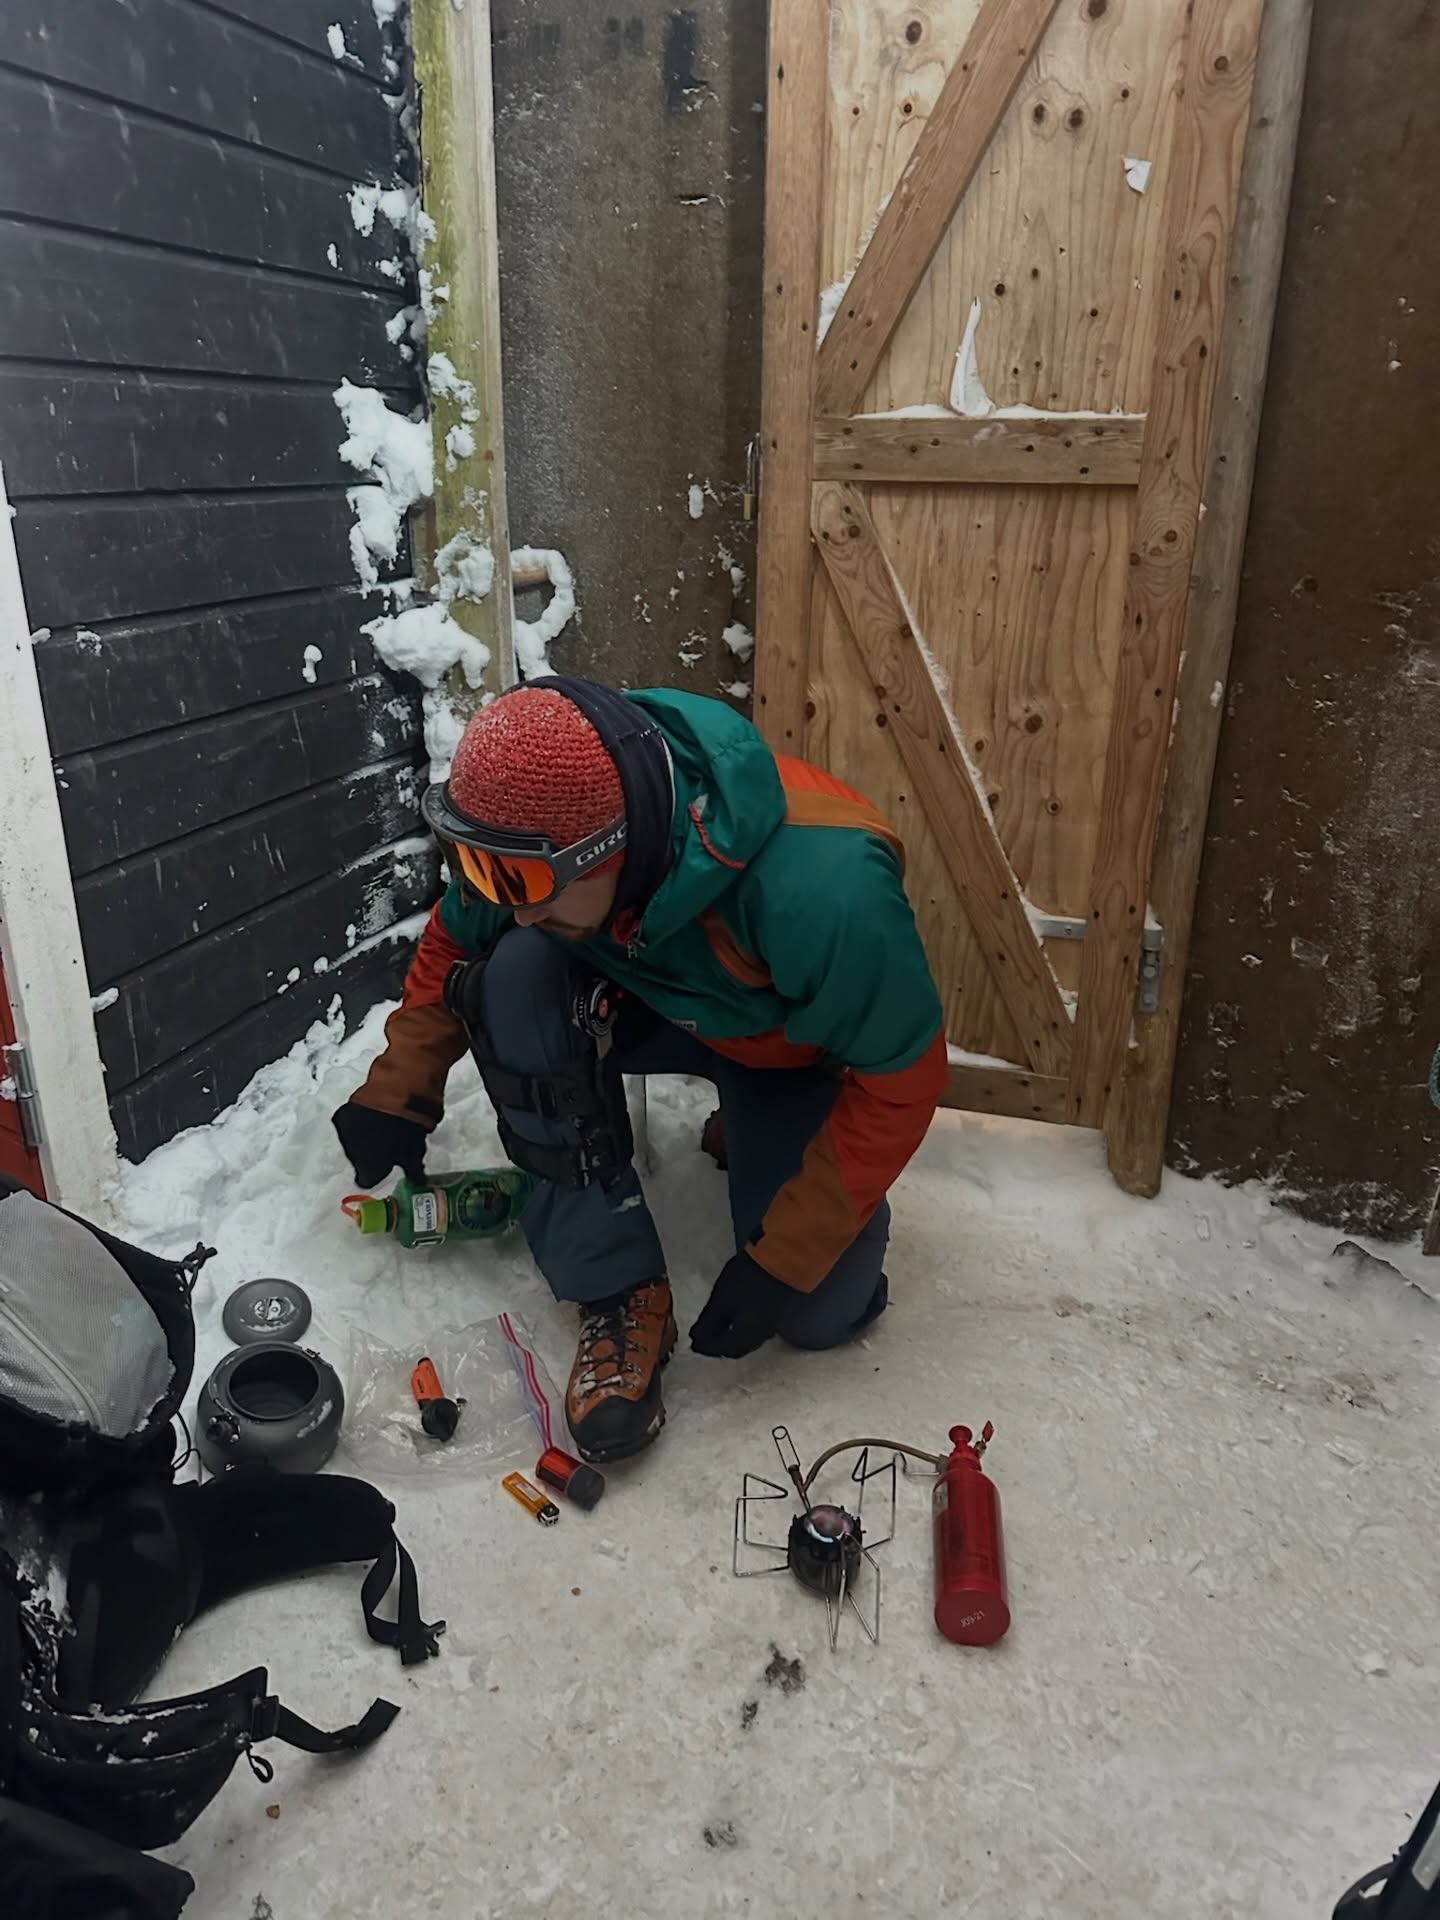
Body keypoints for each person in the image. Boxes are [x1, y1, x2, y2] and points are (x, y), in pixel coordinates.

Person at [332, 676, 946, 1464]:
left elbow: (901, 1079)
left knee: (817, 1313)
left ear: (612, 848)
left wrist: (782, 1259)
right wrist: (399, 1089)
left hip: (787, 1053)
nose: (507, 902)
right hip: (641, 1003)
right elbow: (458, 938)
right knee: (517, 967)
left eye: (517, 882)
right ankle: (616, 1284)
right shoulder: (538, 844)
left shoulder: (825, 886)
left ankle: (763, 1139)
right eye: (484, 872)